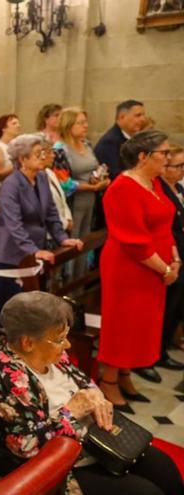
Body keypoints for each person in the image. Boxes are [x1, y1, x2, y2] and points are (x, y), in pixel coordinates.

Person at [0, 291, 183, 495]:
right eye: (60, 339)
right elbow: (26, 446)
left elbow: (84, 383)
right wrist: (70, 413)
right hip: (62, 463)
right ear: (28, 343)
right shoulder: (6, 376)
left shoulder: (52, 355)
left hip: (95, 441)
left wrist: (96, 396)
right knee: (145, 492)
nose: (66, 345)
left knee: (164, 469)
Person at [98, 130, 177, 409]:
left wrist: (175, 258)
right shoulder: (122, 188)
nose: (168, 158)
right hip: (129, 268)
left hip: (154, 268)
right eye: (163, 153)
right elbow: (133, 242)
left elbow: (166, 224)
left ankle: (125, 375)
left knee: (142, 324)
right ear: (143, 157)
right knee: (123, 325)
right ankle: (107, 381)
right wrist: (165, 267)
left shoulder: (153, 182)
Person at [0, 134, 83, 325]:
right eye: (37, 154)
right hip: (13, 253)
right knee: (10, 307)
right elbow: (13, 224)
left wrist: (61, 237)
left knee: (31, 305)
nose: (43, 156)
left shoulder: (41, 178)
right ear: (23, 159)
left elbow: (51, 213)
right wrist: (33, 250)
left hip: (35, 248)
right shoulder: (11, 185)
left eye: (42, 152)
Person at [54, 108, 109, 278]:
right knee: (72, 242)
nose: (86, 126)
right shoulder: (59, 149)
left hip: (90, 200)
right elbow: (63, 182)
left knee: (86, 241)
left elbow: (94, 168)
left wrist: (99, 178)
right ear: (68, 124)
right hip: (73, 202)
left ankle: (80, 283)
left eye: (86, 121)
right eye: (81, 122)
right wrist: (91, 187)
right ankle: (68, 286)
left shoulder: (86, 144)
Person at [157, 145, 184, 371]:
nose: (182, 170)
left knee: (176, 304)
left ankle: (166, 345)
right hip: (168, 256)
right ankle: (158, 352)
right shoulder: (162, 192)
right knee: (169, 304)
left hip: (178, 256)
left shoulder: (178, 189)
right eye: (178, 166)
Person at [95, 100, 147, 180]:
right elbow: (115, 174)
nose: (143, 119)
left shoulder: (134, 138)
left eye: (143, 115)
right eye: (138, 115)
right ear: (122, 117)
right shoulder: (110, 142)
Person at [0, 114, 21, 180]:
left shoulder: (18, 146)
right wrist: (19, 165)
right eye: (14, 123)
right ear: (3, 128)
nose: (18, 126)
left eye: (18, 123)